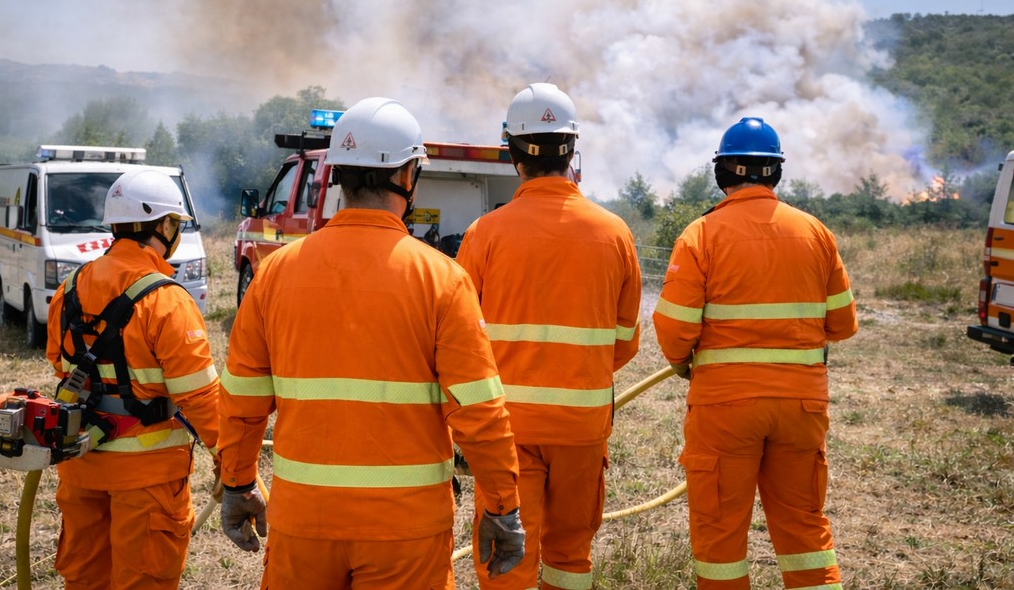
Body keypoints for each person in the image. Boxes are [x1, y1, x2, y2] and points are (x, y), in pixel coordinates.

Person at [217, 96, 525, 589]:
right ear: (408, 177)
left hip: (303, 523)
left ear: (336, 174)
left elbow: (241, 401)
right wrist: (502, 505)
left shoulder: (274, 274)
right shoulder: (442, 280)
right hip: (406, 532)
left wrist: (236, 483)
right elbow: (479, 412)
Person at [652, 116, 858, 589]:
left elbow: (673, 331)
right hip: (802, 409)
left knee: (721, 534)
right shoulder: (816, 234)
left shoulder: (701, 235)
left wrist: (686, 362)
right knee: (805, 529)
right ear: (776, 173)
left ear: (723, 172)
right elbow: (842, 325)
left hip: (725, 409)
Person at [456, 82, 642, 590]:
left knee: (507, 555)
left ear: (512, 152)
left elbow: (459, 344)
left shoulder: (484, 235)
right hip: (582, 429)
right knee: (569, 555)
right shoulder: (615, 234)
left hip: (505, 430)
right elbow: (625, 342)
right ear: (572, 149)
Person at [45, 169, 221, 589]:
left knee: (86, 581)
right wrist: (230, 460)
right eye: (175, 224)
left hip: (81, 468)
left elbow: (60, 366)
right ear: (163, 226)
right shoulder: (167, 300)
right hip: (148, 479)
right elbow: (201, 396)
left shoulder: (70, 288)